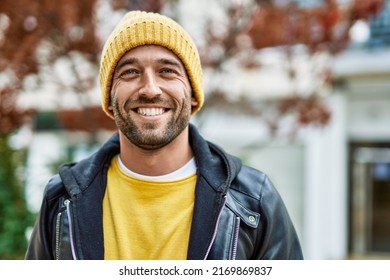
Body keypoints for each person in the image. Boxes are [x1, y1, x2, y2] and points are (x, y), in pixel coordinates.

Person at [25, 10, 303, 260]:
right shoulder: (61, 200)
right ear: (108, 100)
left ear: (193, 96)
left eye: (167, 71)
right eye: (130, 72)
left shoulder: (253, 200)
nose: (150, 89)